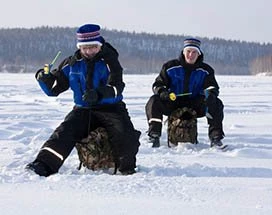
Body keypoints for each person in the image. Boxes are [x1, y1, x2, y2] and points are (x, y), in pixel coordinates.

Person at [26, 24, 140, 176]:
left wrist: (99, 94)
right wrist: (43, 79)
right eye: (84, 48)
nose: (88, 51)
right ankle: (43, 165)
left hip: (112, 108)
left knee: (125, 134)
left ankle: (126, 169)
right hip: (83, 109)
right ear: (79, 47)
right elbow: (54, 90)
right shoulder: (71, 64)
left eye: (93, 47)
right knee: (64, 132)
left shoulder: (110, 60)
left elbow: (117, 86)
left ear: (99, 45)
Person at [145, 38, 225, 148]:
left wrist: (211, 94)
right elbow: (158, 85)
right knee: (154, 101)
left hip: (196, 103)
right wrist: (163, 93)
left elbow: (212, 87)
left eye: (194, 52)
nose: (191, 55)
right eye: (188, 51)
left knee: (216, 103)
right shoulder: (170, 67)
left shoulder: (206, 70)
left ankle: (216, 138)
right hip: (173, 102)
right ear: (183, 52)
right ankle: (154, 136)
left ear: (199, 54)